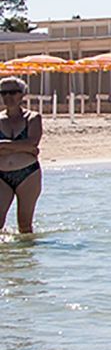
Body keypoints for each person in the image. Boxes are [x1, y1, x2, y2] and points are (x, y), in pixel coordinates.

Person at [0, 77, 42, 234]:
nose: (7, 97)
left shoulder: (32, 118)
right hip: (2, 176)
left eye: (12, 92)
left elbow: (32, 143)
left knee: (24, 225)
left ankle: (26, 257)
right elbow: (28, 146)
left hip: (28, 174)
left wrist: (3, 146)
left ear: (22, 94)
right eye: (3, 93)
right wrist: (23, 148)